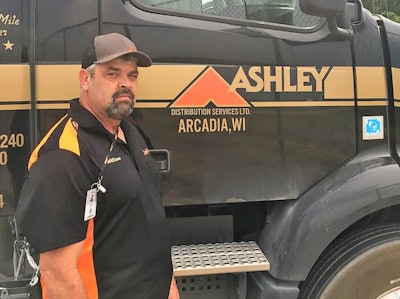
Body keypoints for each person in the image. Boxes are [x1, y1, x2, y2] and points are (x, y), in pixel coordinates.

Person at [15, 33, 179, 299]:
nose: (125, 84)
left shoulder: (129, 132)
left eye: (132, 75)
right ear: (85, 79)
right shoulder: (63, 155)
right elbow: (59, 277)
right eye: (112, 74)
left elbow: (151, 229)